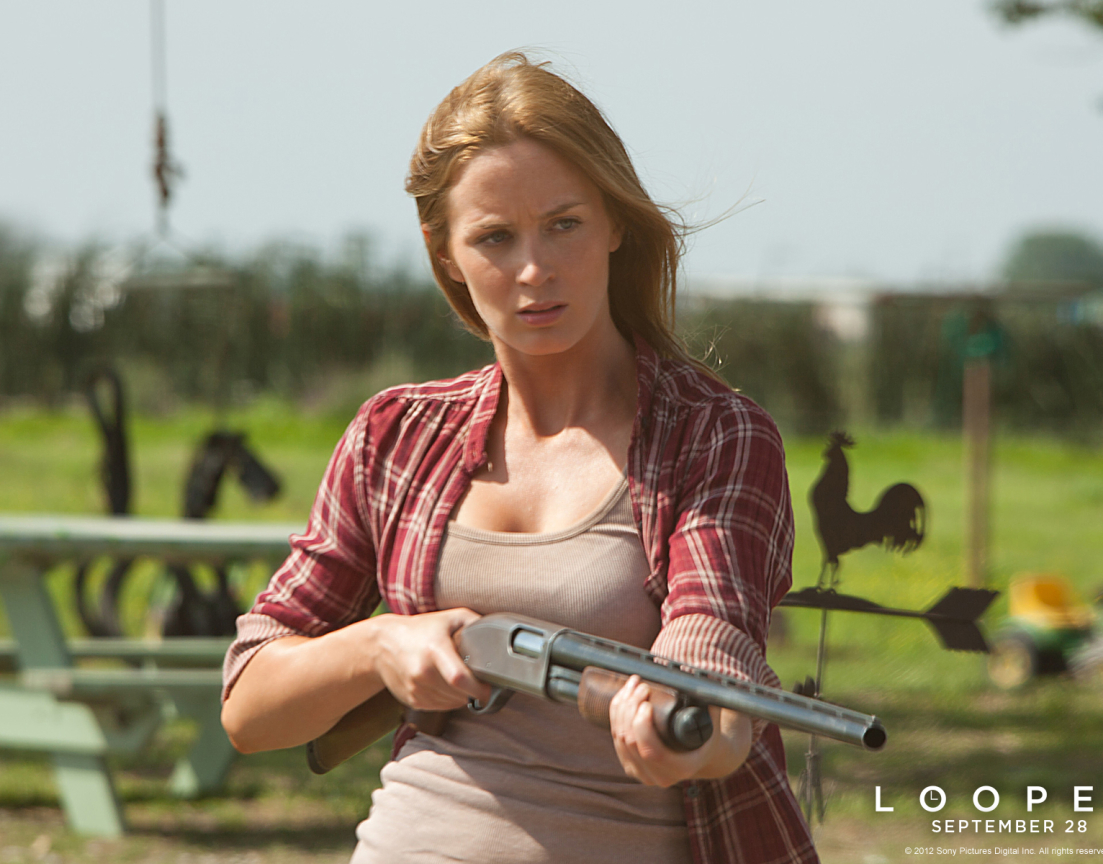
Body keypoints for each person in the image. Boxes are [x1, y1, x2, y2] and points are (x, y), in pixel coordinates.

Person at [220, 51, 817, 864]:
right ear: (444, 253)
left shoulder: (717, 436)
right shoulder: (395, 434)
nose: (535, 270)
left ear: (615, 223)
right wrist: (380, 645)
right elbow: (249, 707)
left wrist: (686, 727)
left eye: (564, 223)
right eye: (495, 238)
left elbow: (713, 654)